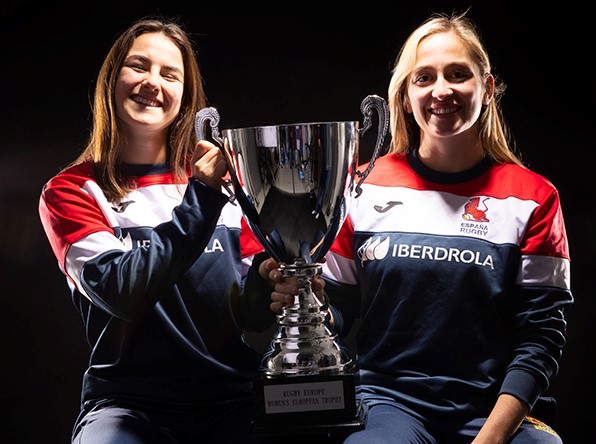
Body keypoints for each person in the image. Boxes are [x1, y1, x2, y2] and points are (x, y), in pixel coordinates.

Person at [266, 11, 573, 444]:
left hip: (491, 410)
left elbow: (540, 337)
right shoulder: (363, 185)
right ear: (406, 95)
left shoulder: (533, 196)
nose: (441, 90)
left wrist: (490, 439)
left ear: (486, 88)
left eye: (457, 74)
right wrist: (308, 300)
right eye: (423, 77)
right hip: (389, 404)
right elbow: (336, 310)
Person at [38, 16, 275, 444]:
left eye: (170, 74)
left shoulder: (223, 184)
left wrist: (267, 279)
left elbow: (249, 314)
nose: (153, 82)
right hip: (127, 406)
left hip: (232, 401)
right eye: (139, 66)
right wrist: (201, 199)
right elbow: (124, 291)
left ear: (185, 97)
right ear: (111, 81)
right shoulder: (72, 190)